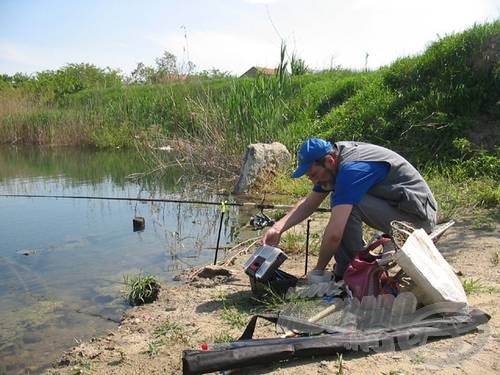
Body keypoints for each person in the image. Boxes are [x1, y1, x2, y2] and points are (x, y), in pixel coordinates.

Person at [262, 138, 437, 281]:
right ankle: (350, 268)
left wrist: (318, 270)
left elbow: (334, 234)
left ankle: (352, 271)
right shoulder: (335, 161)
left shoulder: (351, 170)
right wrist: (278, 228)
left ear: (329, 161)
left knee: (348, 205)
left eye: (314, 175)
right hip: (401, 208)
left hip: (418, 218)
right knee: (342, 199)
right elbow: (309, 203)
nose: (314, 182)